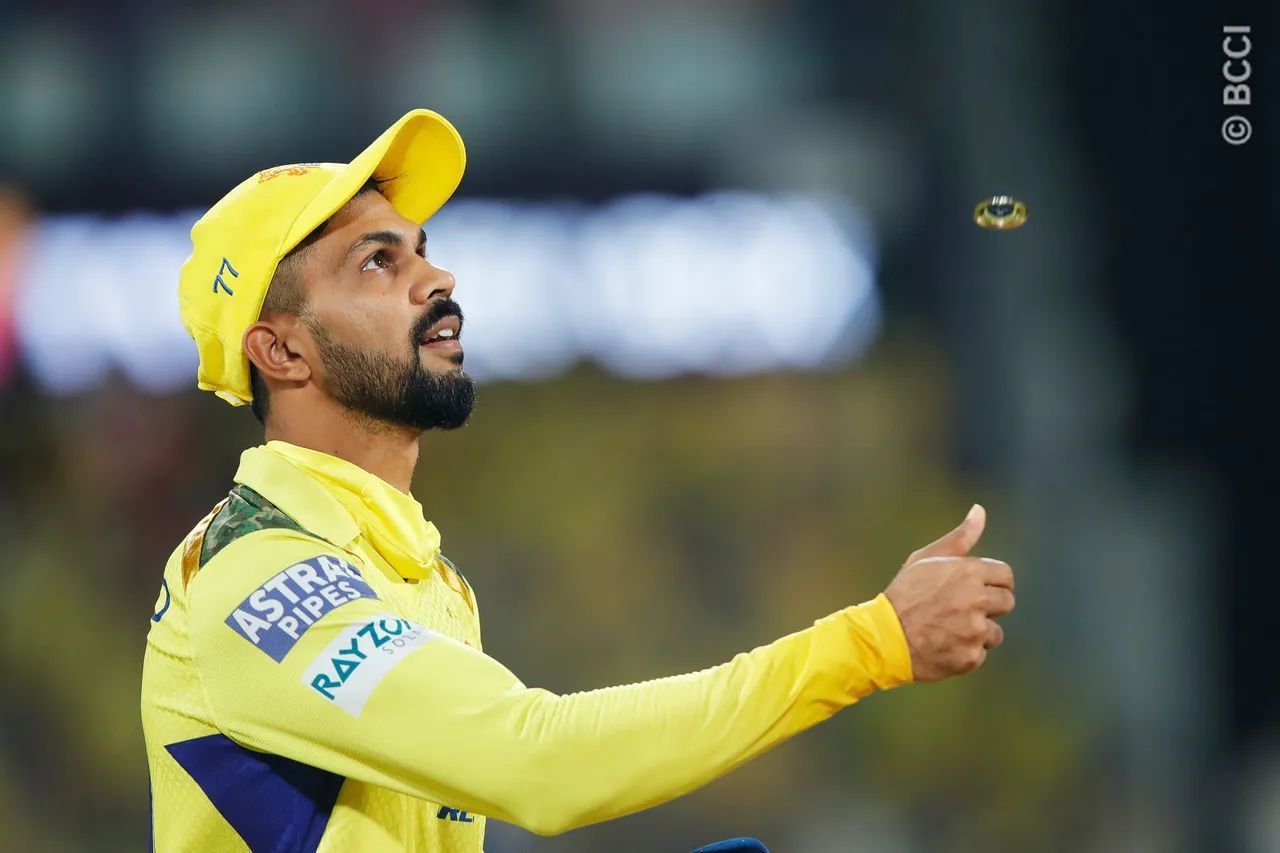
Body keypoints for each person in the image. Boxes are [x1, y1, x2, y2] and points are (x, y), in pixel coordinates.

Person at [141, 109, 1016, 852]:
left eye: (421, 251)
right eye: (379, 262)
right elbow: (536, 762)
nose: (436, 278)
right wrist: (868, 643)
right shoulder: (253, 579)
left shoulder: (420, 576)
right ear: (281, 350)